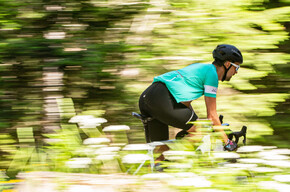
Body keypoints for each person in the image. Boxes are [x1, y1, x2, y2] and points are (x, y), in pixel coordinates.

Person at [138, 44, 243, 154]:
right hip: (163, 99)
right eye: (236, 67)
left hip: (148, 96)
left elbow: (184, 101)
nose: (236, 72)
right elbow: (212, 115)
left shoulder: (201, 67)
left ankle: (159, 164)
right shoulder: (212, 75)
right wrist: (227, 142)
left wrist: (199, 123)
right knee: (200, 132)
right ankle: (174, 157)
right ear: (227, 64)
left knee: (158, 155)